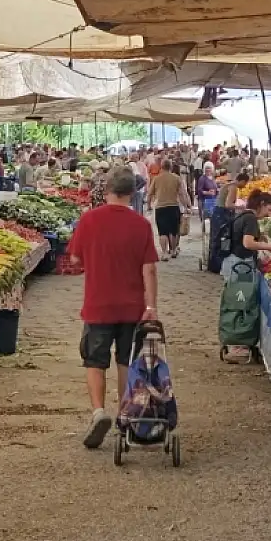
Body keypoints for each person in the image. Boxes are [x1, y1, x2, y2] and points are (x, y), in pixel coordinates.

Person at [67, 166, 160, 449]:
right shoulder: (141, 225)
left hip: (97, 304)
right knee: (125, 361)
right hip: (132, 307)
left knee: (94, 361)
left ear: (106, 190)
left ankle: (98, 412)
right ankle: (125, 415)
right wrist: (151, 306)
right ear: (133, 193)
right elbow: (151, 270)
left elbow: (74, 260)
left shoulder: (89, 220)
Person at [223, 189, 271, 278]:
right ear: (262, 204)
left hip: (233, 261)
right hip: (240, 264)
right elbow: (248, 243)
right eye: (269, 210)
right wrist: (270, 247)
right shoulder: (250, 218)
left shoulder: (243, 214)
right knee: (241, 290)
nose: (268, 214)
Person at [147, 162, 186, 258]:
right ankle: (173, 251)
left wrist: (148, 205)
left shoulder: (157, 179)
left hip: (161, 207)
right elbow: (181, 193)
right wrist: (185, 205)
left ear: (161, 167)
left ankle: (164, 253)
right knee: (173, 231)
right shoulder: (176, 178)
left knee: (162, 231)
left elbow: (149, 194)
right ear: (171, 167)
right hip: (173, 206)